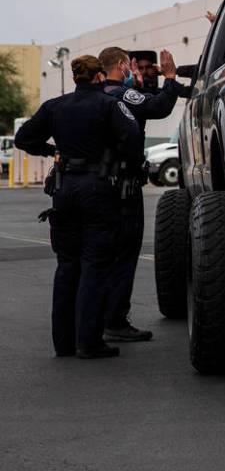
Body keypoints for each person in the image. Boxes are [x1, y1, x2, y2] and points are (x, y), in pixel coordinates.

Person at [14, 55, 143, 359]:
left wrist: (53, 150)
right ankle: (89, 341)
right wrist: (120, 162)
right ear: (100, 77)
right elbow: (133, 138)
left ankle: (64, 342)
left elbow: (23, 138)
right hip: (98, 189)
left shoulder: (55, 106)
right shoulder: (109, 104)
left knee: (67, 264)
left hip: (64, 188)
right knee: (95, 265)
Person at [97, 46, 180, 342]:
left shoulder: (93, 94)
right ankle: (115, 320)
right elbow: (159, 107)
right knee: (124, 253)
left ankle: (91, 318)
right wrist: (169, 78)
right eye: (133, 67)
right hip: (122, 188)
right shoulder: (121, 93)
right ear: (122, 64)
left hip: (94, 184)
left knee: (95, 256)